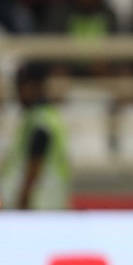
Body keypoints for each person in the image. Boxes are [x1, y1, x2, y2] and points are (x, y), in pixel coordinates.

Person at [0, 62, 72, 210]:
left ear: (33, 86)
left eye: (21, 86)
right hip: (46, 207)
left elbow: (35, 165)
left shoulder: (40, 121)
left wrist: (23, 200)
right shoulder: (45, 117)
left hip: (38, 207)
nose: (18, 93)